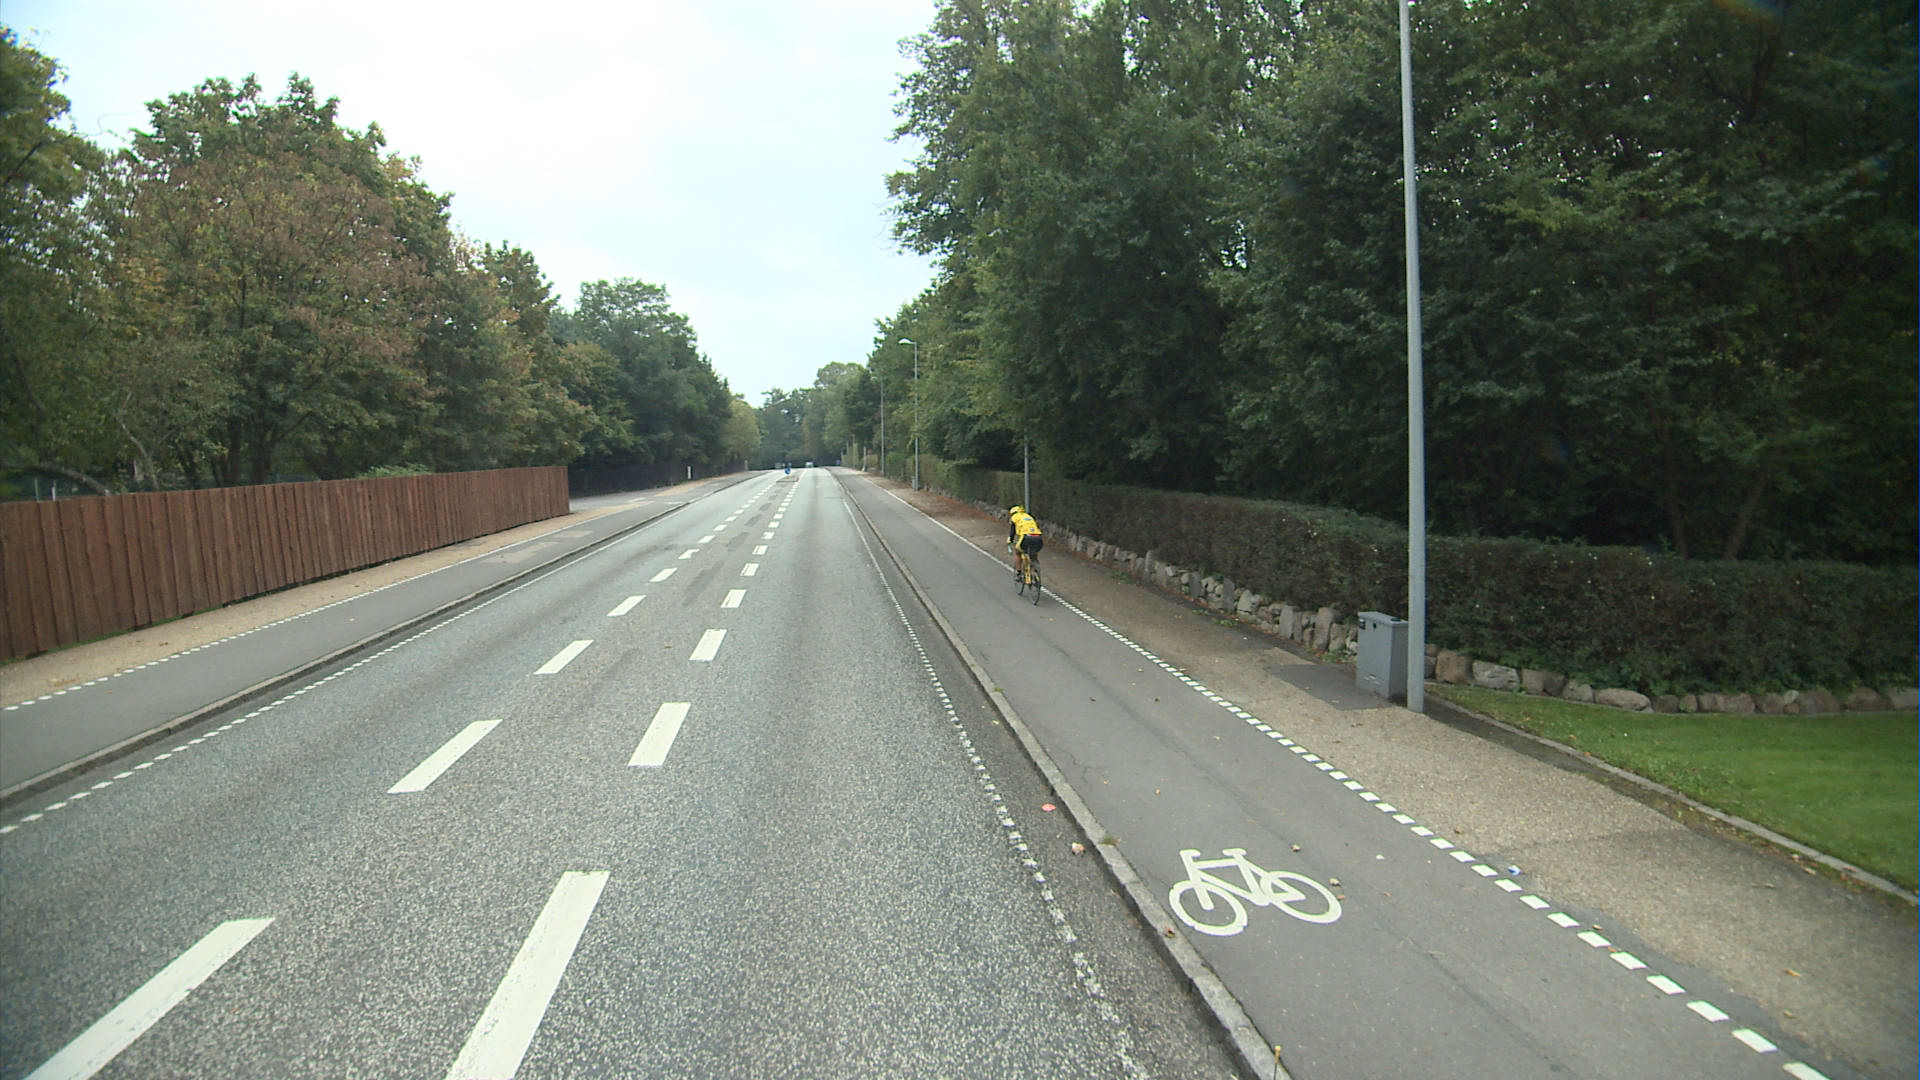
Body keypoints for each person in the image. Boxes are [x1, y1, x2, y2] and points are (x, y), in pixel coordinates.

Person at [1007, 505, 1042, 577]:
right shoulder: (1029, 517)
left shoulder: (1015, 517)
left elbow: (1012, 532)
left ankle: (1019, 572)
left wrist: (1010, 540)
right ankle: (1036, 569)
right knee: (1033, 554)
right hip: (1038, 538)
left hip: (1025, 537)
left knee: (1017, 552)